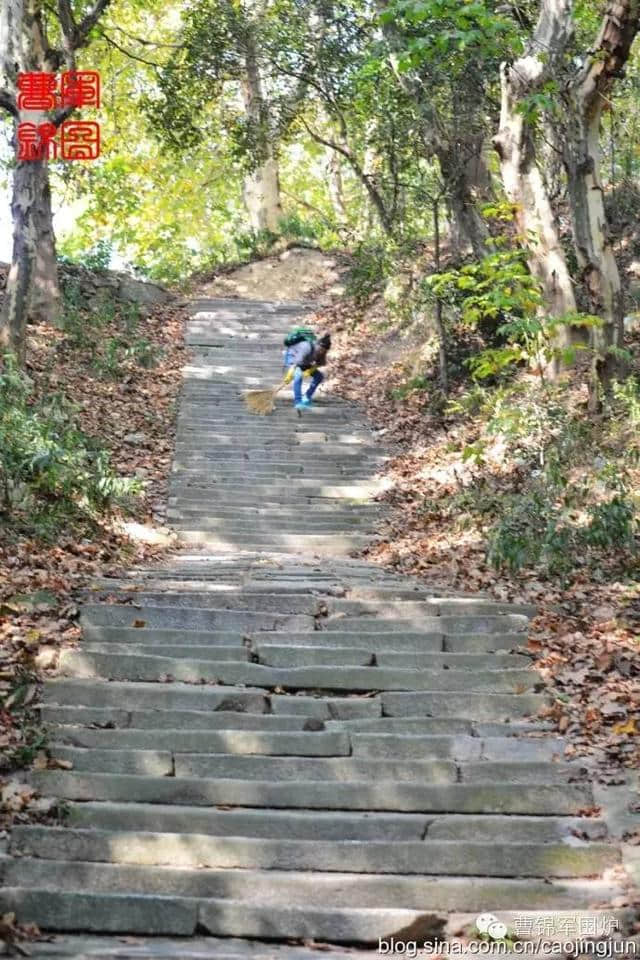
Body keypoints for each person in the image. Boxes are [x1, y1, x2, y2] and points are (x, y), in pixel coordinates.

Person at [284, 333, 331, 410]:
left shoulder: (322, 353)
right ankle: (298, 401)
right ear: (318, 345)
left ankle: (307, 397)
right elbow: (296, 363)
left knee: (319, 376)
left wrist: (310, 370)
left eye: (324, 351)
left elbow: (320, 363)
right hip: (293, 356)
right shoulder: (307, 347)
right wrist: (289, 374)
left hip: (305, 361)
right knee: (298, 376)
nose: (322, 352)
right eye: (321, 349)